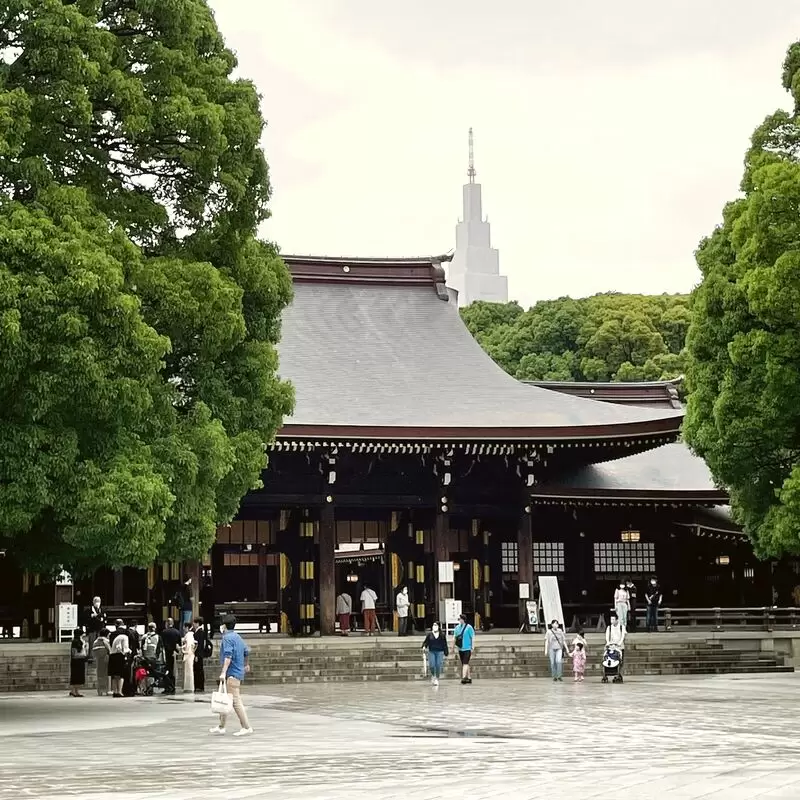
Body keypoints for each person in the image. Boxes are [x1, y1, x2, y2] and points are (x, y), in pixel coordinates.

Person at [209, 614, 253, 737]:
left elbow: (228, 656)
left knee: (236, 701)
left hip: (232, 673)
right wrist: (246, 664)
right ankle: (221, 726)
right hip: (238, 671)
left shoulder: (227, 638)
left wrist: (223, 672)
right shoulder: (238, 637)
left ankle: (246, 726)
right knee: (225, 700)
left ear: (224, 625)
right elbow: (246, 651)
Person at [421, 621, 449, 687]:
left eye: (436, 625)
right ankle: (433, 675)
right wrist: (424, 646)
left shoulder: (442, 635)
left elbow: (444, 644)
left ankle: (437, 678)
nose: (434, 626)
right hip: (432, 651)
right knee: (432, 665)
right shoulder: (430, 635)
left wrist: (446, 651)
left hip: (440, 651)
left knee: (438, 665)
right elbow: (425, 642)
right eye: (433, 625)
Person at [108, 620, 130, 698]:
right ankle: (120, 691)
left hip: (112, 655)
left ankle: (115, 691)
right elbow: (125, 648)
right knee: (121, 675)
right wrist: (128, 652)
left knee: (114, 675)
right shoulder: (125, 636)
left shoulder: (112, 634)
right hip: (120, 656)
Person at [160, 617, 181, 695]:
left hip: (166, 654)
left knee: (166, 671)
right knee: (173, 671)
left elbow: (161, 644)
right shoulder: (177, 632)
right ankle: (173, 686)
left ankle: (167, 687)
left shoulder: (164, 632)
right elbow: (179, 644)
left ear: (167, 624)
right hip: (174, 654)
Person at [453, 613, 475, 685]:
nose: (460, 620)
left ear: (463, 619)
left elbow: (472, 637)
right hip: (460, 648)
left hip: (467, 648)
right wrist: (453, 646)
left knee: (465, 663)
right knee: (464, 663)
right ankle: (469, 677)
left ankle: (463, 677)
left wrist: (472, 646)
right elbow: (455, 637)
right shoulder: (457, 627)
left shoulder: (469, 627)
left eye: (460, 619)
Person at [85, 596, 107, 660]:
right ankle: (91, 656)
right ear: (93, 602)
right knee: (92, 643)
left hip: (100, 629)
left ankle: (99, 656)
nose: (97, 603)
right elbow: (86, 619)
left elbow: (105, 618)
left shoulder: (102, 610)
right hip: (92, 629)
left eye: (98, 601)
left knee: (100, 643)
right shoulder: (89, 610)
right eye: (96, 601)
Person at [68, 628, 88, 697]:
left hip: (76, 660)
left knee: (75, 675)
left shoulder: (76, 641)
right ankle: (76, 691)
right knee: (77, 676)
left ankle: (73, 690)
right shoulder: (77, 642)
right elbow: (74, 652)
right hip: (78, 660)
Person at [606, 612, 627, 677]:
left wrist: (619, 643)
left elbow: (623, 636)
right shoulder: (609, 627)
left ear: (617, 620)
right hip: (611, 646)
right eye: (611, 619)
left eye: (613, 619)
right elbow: (607, 636)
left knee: (620, 660)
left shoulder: (621, 627)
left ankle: (619, 673)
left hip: (619, 646)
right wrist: (608, 642)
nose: (612, 621)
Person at [92, 628, 111, 696]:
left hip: (98, 660)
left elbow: (94, 651)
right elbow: (110, 650)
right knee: (106, 675)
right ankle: (106, 690)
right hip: (105, 659)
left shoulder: (95, 641)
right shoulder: (106, 641)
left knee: (99, 675)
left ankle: (100, 691)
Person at [192, 617, 207, 693]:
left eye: (194, 623)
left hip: (199, 654)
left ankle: (200, 685)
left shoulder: (200, 632)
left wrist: (197, 655)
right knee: (197, 670)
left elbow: (200, 645)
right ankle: (198, 685)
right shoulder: (197, 632)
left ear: (198, 623)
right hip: (198, 654)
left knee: (199, 670)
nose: (193, 624)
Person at [181, 622, 196, 693]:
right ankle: (187, 686)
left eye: (184, 627)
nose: (183, 629)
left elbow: (189, 646)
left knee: (189, 671)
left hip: (189, 654)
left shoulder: (189, 635)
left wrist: (184, 651)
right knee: (188, 671)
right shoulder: (189, 635)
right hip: (188, 654)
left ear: (187, 627)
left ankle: (189, 687)